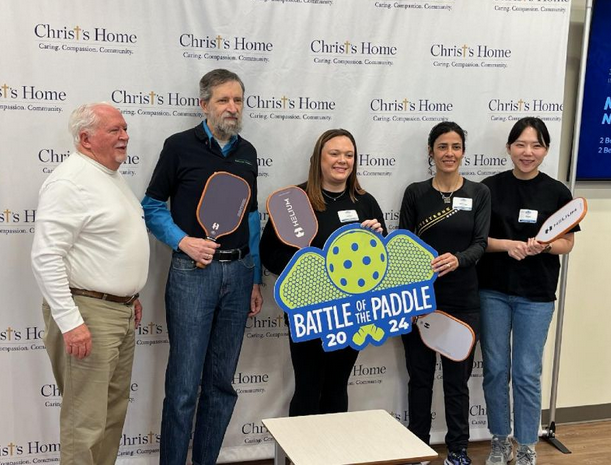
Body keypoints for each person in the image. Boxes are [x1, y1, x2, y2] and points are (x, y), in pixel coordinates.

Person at [141, 69, 263, 465]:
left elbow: (251, 217)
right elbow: (153, 206)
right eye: (224, 100)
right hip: (192, 277)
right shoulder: (178, 146)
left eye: (238, 100)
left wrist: (255, 277)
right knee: (182, 387)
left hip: (239, 274)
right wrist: (183, 241)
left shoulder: (249, 152)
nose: (232, 108)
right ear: (204, 104)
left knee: (221, 385)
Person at [30, 103, 149, 465]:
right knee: (85, 423)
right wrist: (71, 322)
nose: (125, 136)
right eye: (114, 130)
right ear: (85, 138)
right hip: (87, 314)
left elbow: (107, 244)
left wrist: (129, 294)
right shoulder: (70, 181)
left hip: (119, 311)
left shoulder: (108, 175)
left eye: (125, 128)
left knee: (111, 417)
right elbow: (45, 257)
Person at [260, 128, 386, 416]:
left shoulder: (364, 202)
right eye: (335, 153)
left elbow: (382, 263)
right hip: (308, 310)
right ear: (319, 158)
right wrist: (310, 270)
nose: (342, 160)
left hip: (352, 311)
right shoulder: (294, 200)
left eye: (349, 155)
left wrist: (376, 240)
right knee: (308, 385)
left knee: (337, 385)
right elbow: (270, 254)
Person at [478, 117, 579, 466]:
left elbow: (566, 243)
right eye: (520, 144)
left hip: (536, 296)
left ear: (546, 150)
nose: (527, 152)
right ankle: (498, 441)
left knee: (525, 371)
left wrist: (544, 246)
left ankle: (525, 447)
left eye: (536, 145)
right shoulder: (488, 188)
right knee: (494, 369)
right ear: (509, 148)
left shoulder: (557, 192)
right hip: (492, 290)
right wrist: (509, 245)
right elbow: (479, 241)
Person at [399, 121, 491, 465]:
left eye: (455, 147)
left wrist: (458, 259)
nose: (449, 153)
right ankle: (418, 449)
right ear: (430, 151)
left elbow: (481, 243)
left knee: (457, 382)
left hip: (463, 301)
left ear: (463, 152)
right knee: (419, 379)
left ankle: (458, 450)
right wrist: (408, 297)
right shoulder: (415, 193)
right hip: (420, 301)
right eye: (442, 146)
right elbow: (403, 246)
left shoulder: (479, 193)